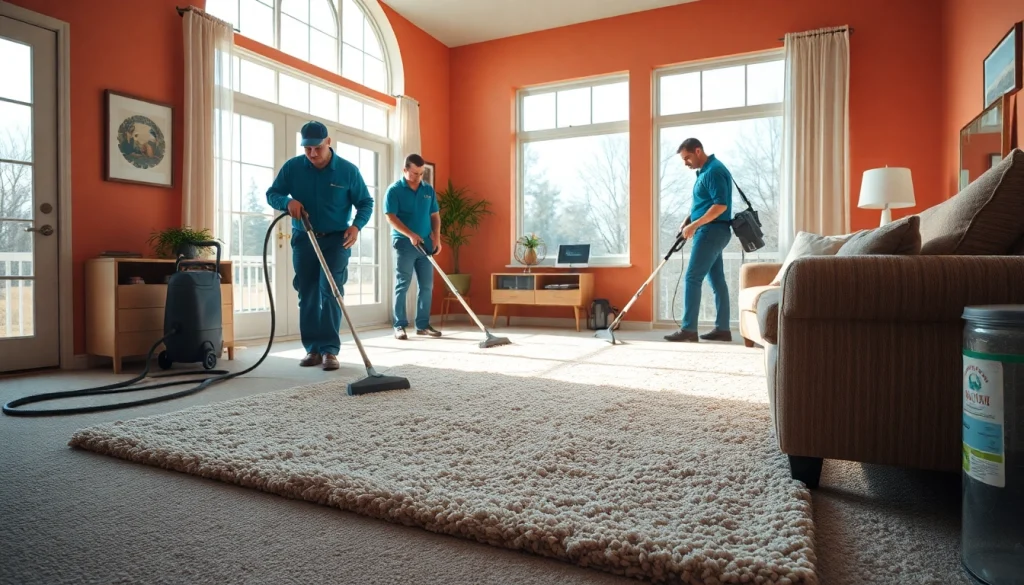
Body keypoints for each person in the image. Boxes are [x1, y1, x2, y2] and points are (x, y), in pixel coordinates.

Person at [266, 120, 374, 370]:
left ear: (328, 143)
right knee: (308, 293)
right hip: (304, 239)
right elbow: (273, 193)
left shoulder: (348, 171)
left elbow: (365, 203)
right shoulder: (293, 167)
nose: (312, 154)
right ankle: (312, 349)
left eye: (317, 148)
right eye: (307, 149)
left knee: (332, 291)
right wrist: (286, 202)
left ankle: (330, 351)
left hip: (337, 240)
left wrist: (356, 226)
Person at [664, 138, 734, 343]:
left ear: (698, 150)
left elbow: (720, 206)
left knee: (692, 277)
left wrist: (694, 225)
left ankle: (688, 330)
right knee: (717, 280)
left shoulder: (713, 171)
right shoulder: (705, 171)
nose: (686, 163)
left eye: (687, 158)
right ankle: (723, 329)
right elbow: (705, 202)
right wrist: (689, 219)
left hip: (711, 231)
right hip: (713, 231)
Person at [384, 154, 442, 340]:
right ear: (405, 170)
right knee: (403, 284)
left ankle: (423, 325)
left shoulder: (428, 190)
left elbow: (434, 216)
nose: (418, 177)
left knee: (427, 285)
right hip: (404, 243)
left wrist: (437, 239)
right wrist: (410, 234)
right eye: (414, 173)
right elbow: (390, 217)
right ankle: (399, 325)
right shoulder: (394, 190)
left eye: (421, 173)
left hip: (426, 243)